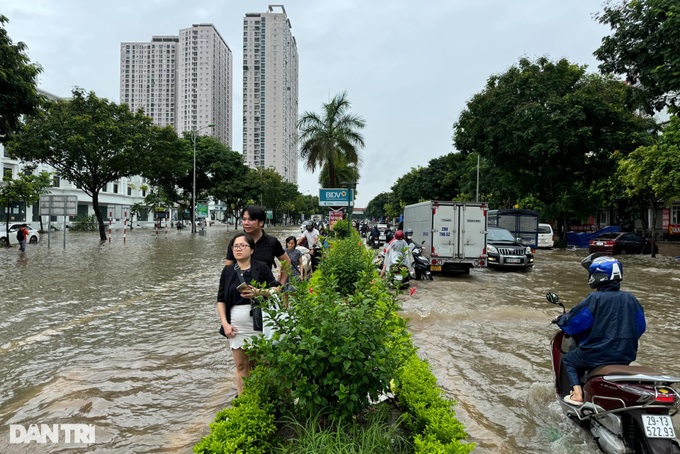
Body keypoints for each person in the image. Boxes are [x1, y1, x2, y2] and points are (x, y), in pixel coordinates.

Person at [553, 254, 646, 406]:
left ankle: (577, 394)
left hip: (597, 354)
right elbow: (640, 327)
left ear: (597, 276)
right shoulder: (631, 299)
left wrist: (560, 320)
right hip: (626, 354)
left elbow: (575, 323)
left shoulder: (595, 298)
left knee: (569, 361)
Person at [217, 233, 280, 396]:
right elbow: (221, 299)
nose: (238, 249)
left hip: (260, 323)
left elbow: (276, 289)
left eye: (242, 246)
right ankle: (244, 399)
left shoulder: (262, 268)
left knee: (263, 363)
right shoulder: (228, 271)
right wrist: (225, 324)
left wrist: (259, 292)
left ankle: (263, 397)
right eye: (235, 246)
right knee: (241, 366)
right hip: (236, 325)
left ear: (251, 250)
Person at [225, 205, 290, 286]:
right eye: (244, 219)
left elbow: (286, 261)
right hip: (240, 293)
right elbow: (227, 270)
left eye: (251, 219)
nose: (246, 223)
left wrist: (281, 285)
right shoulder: (236, 242)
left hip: (264, 293)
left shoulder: (272, 242)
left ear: (261, 222)